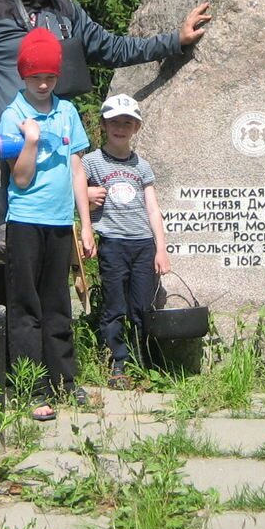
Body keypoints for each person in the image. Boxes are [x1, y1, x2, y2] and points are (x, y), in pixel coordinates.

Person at [0, 0, 210, 303]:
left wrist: (175, 40)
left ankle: (46, 349)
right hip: (3, 155)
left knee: (49, 259)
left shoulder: (68, 13)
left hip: (52, 163)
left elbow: (115, 49)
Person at [0, 27, 91, 421]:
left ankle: (64, 381)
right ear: (23, 75)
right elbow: (19, 178)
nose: (42, 83)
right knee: (26, 307)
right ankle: (30, 386)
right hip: (24, 221)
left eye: (49, 76)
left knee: (58, 304)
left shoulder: (67, 112)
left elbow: (76, 166)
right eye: (35, 76)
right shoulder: (12, 116)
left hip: (59, 221)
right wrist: (31, 142)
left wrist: (84, 223)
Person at [81, 93, 172, 388]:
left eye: (127, 122)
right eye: (114, 122)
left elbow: (152, 208)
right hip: (113, 243)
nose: (120, 127)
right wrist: (87, 197)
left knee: (142, 305)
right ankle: (117, 362)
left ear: (137, 127)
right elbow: (75, 195)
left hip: (143, 244)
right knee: (114, 304)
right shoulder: (92, 162)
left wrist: (161, 248)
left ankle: (143, 359)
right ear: (104, 125)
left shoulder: (142, 166)